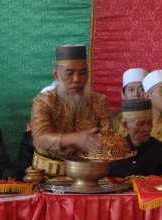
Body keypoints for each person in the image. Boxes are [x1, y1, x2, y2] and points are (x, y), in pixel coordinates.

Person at [31, 44, 112, 176]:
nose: (77, 79)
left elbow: (107, 138)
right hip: (46, 175)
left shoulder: (99, 101)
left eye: (82, 73)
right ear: (56, 74)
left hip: (88, 174)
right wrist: (74, 139)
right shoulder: (43, 101)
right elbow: (40, 138)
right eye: (69, 73)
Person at [109, 98, 162, 177]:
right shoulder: (111, 152)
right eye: (140, 123)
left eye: (149, 123)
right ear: (125, 125)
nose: (147, 128)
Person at [112, 68, 148, 135]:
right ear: (123, 95)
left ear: (148, 94)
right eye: (131, 89)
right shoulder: (112, 120)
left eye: (142, 89)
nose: (136, 94)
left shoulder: (156, 118)